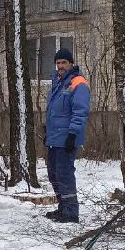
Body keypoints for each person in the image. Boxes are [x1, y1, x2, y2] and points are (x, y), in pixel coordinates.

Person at [43, 47, 90, 223]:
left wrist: (72, 134)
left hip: (66, 138)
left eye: (63, 62)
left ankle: (71, 212)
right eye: (58, 63)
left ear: (70, 63)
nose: (60, 66)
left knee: (64, 174)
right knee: (53, 173)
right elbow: (55, 111)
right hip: (55, 137)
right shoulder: (58, 82)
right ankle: (63, 207)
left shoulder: (77, 83)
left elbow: (80, 111)